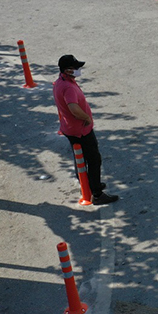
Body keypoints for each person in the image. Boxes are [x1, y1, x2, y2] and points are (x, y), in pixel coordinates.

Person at [52, 55, 118, 205]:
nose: (78, 70)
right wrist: (86, 118)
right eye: (76, 68)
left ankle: (89, 184)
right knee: (94, 159)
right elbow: (73, 108)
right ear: (67, 70)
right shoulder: (68, 87)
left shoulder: (60, 82)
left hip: (69, 127)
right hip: (81, 130)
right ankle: (97, 193)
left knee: (80, 157)